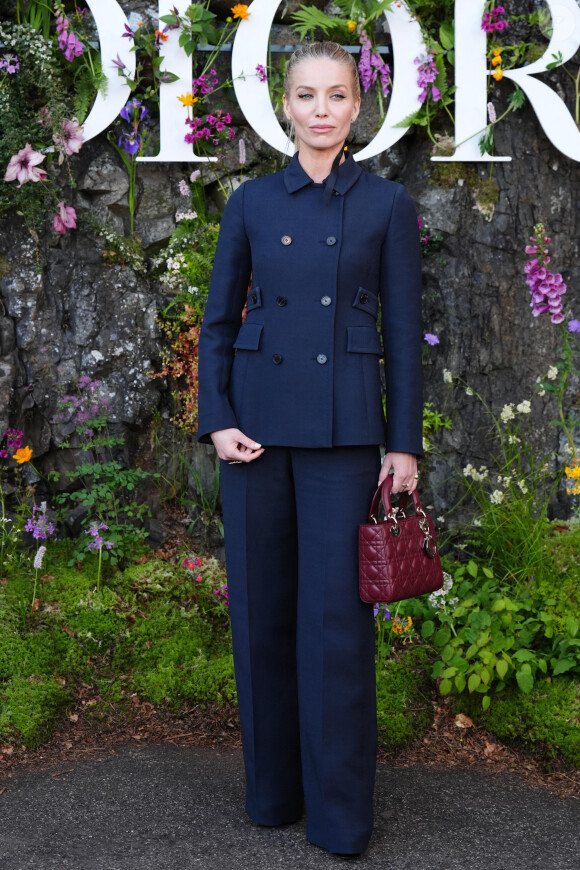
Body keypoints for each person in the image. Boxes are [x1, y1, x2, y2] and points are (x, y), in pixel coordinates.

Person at [197, 41, 423, 857]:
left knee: (336, 627)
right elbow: (219, 322)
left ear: (358, 107)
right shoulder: (252, 201)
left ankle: (338, 818)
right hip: (254, 434)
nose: (321, 108)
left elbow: (404, 334)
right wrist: (216, 418)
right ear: (283, 106)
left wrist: (404, 444)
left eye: (336, 95)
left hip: (344, 436)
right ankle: (273, 795)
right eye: (305, 95)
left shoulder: (388, 205)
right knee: (260, 616)